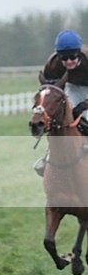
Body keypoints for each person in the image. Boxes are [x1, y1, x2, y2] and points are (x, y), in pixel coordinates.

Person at [34, 30, 88, 175]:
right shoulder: (52, 65)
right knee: (60, 119)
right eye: (64, 58)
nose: (69, 61)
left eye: (72, 57)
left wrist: (83, 105)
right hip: (71, 86)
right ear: (58, 56)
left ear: (79, 54)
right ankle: (49, 155)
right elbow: (50, 92)